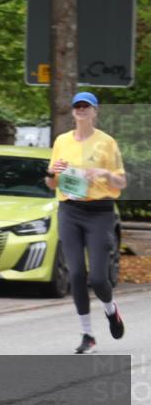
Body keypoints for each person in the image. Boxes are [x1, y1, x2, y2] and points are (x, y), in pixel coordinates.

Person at [45, 91, 127, 354]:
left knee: (99, 278)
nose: (81, 110)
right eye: (77, 107)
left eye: (86, 107)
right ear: (72, 112)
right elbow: (50, 182)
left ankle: (110, 309)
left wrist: (104, 173)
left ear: (95, 112)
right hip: (69, 209)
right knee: (77, 274)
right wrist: (52, 173)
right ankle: (88, 335)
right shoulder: (61, 141)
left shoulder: (107, 143)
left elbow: (121, 182)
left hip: (99, 212)